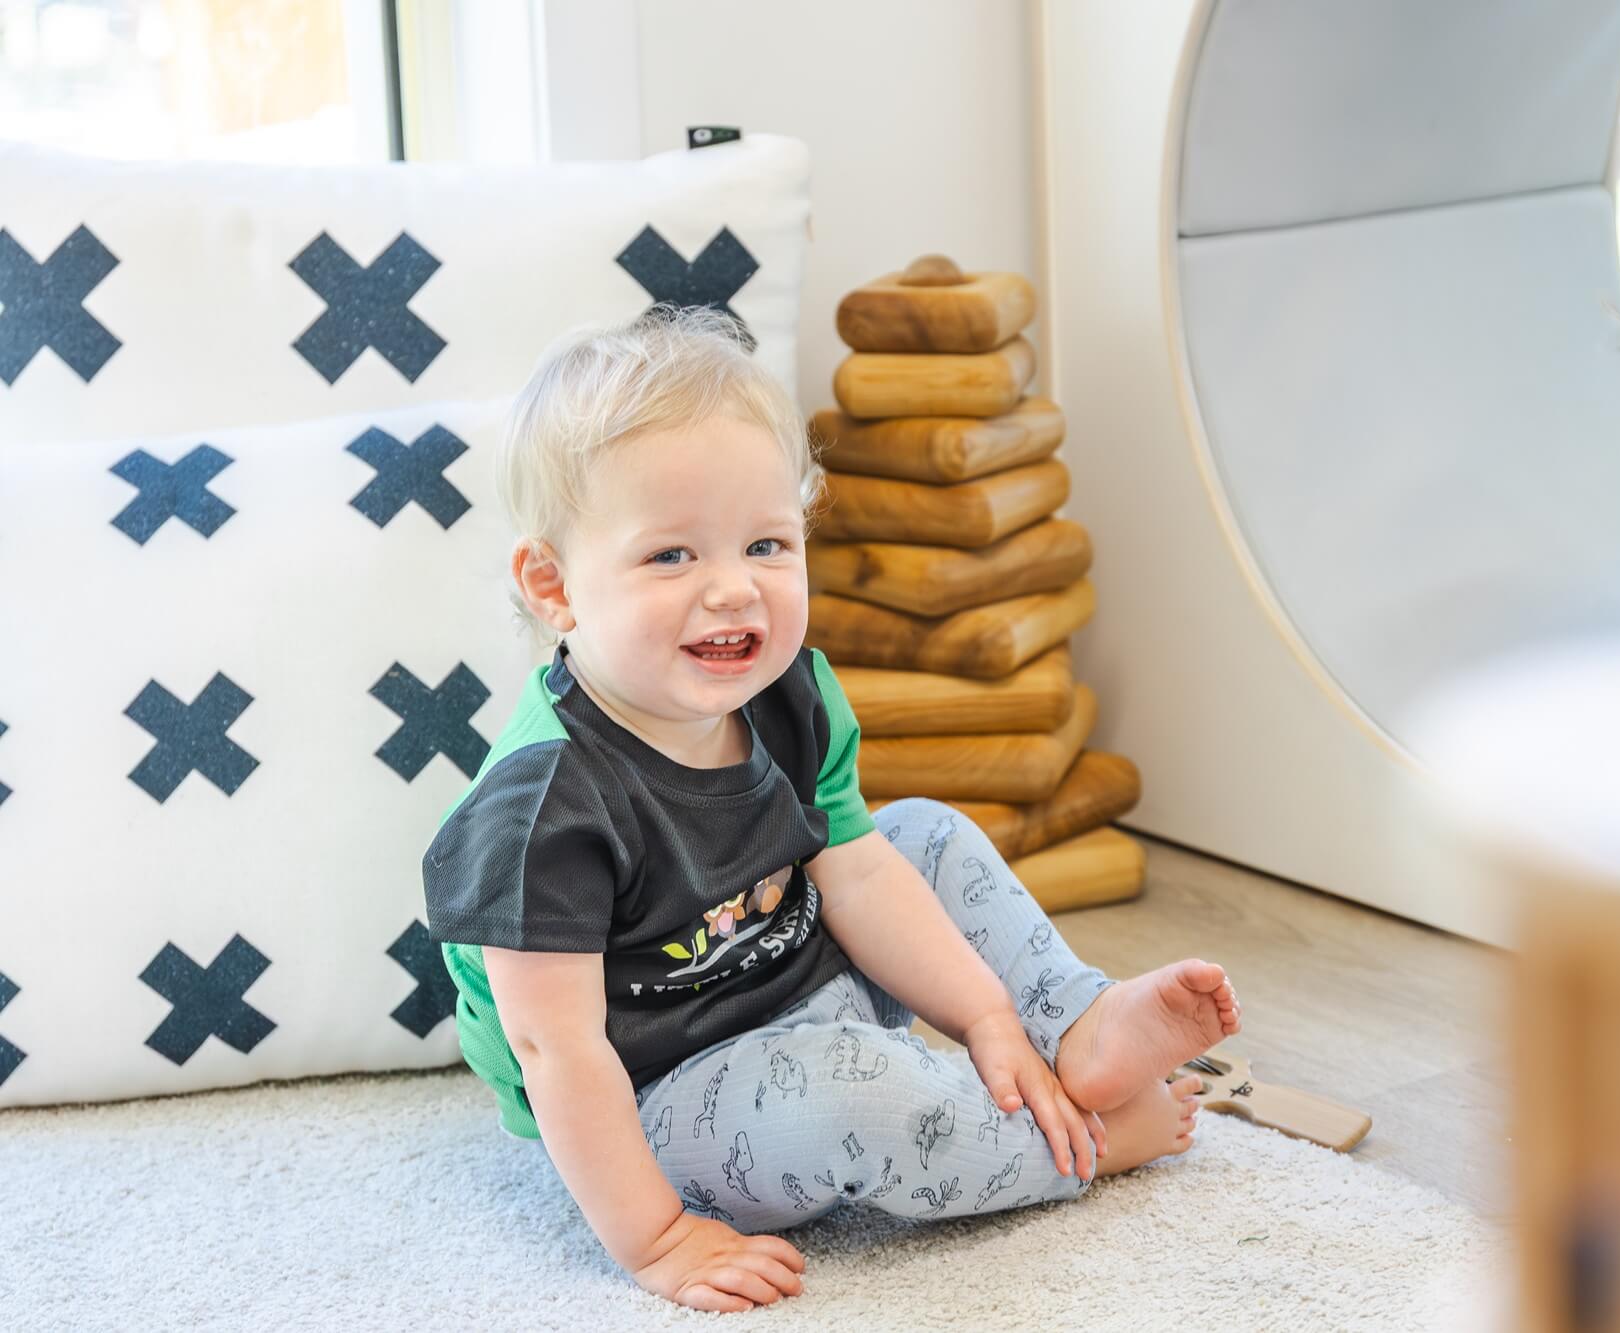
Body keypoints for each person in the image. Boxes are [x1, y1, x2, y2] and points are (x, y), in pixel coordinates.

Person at [421, 305, 1243, 1313]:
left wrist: (982, 1013)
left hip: (795, 971)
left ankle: (1072, 1027)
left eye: (766, 544)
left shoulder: (788, 697)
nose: (733, 591)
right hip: (660, 1101)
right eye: (672, 557)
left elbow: (853, 871)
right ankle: (1080, 1143)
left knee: (922, 835)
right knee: (846, 1093)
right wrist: (659, 1238)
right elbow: (559, 1051)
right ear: (554, 586)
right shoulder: (540, 809)